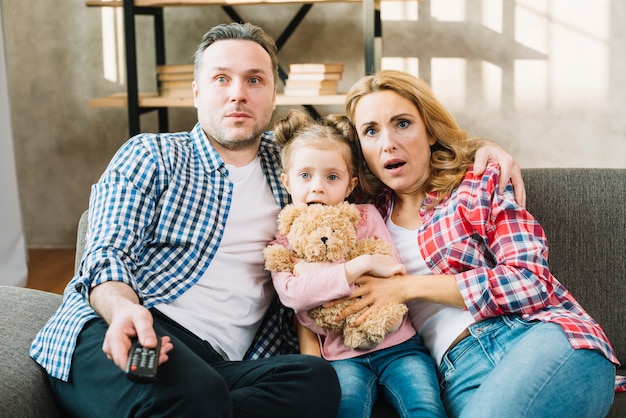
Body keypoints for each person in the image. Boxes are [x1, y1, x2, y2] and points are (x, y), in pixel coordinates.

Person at [29, 22, 523, 417]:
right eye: (222, 79)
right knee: (185, 390)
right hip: (128, 328)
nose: (238, 94)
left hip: (223, 366)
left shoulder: (295, 167)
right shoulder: (151, 154)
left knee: (313, 383)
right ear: (198, 91)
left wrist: (478, 148)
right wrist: (122, 309)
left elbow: (384, 154)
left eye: (254, 80)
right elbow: (105, 252)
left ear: (273, 95)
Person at [336, 69, 623, 418]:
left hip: (533, 338)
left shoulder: (477, 184)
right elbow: (297, 151)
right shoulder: (362, 216)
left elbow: (530, 281)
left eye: (402, 123)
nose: (388, 143)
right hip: (455, 375)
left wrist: (406, 287)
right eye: (371, 131)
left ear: (429, 131)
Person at [269, 108, 446, 417]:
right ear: (287, 181)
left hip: (400, 345)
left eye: (332, 177)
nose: (318, 186)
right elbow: (294, 296)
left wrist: (313, 273)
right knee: (347, 409)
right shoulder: (284, 239)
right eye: (305, 175)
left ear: (350, 186)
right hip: (341, 356)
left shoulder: (366, 217)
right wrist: (358, 266)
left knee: (425, 407)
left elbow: (388, 270)